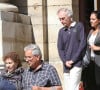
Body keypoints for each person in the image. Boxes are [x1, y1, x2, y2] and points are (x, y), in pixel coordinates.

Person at [57, 8, 86, 90]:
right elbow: (60, 49)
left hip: (76, 63)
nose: (61, 21)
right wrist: (65, 61)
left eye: (63, 18)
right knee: (67, 88)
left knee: (73, 88)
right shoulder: (61, 31)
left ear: (69, 16)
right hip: (66, 65)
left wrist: (73, 60)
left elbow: (82, 44)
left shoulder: (79, 26)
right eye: (60, 19)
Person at [83, 10, 100, 90]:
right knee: (90, 84)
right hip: (90, 62)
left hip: (99, 62)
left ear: (99, 20)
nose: (91, 21)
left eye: (93, 19)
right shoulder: (90, 31)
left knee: (98, 83)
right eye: (90, 19)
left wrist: (98, 48)